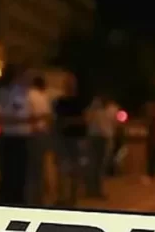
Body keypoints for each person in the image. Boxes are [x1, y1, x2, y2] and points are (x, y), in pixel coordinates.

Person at [0, 64, 32, 205]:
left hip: (23, 137)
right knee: (9, 171)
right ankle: (6, 199)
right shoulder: (6, 93)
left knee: (21, 172)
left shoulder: (26, 93)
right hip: (10, 137)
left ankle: (18, 199)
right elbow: (2, 117)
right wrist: (26, 120)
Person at [52, 74, 85, 207]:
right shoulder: (60, 102)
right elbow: (56, 120)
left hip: (76, 138)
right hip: (63, 138)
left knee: (75, 170)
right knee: (62, 169)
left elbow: (84, 120)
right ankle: (62, 197)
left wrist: (69, 122)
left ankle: (72, 197)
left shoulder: (80, 102)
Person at [26, 74, 52, 205]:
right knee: (38, 166)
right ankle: (37, 196)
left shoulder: (30, 95)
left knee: (33, 167)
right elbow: (47, 116)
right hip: (39, 133)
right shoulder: (40, 96)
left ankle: (34, 196)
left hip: (33, 133)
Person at [86, 94, 118, 199]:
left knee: (95, 165)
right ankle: (96, 190)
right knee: (98, 166)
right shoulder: (100, 110)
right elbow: (109, 127)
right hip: (99, 138)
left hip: (97, 138)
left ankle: (93, 190)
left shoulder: (96, 110)